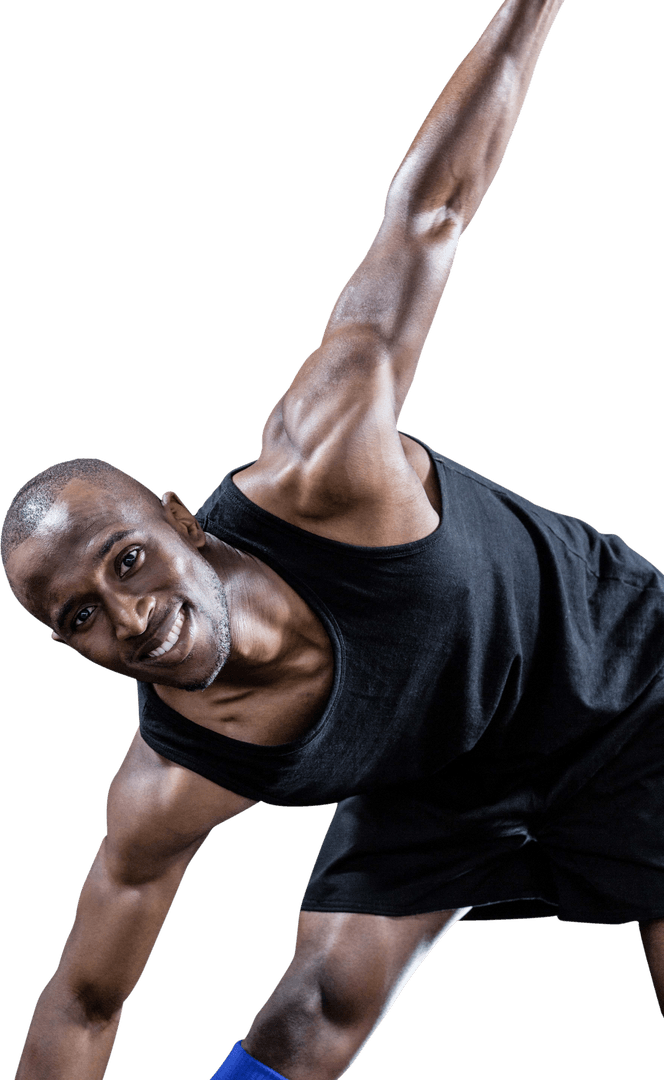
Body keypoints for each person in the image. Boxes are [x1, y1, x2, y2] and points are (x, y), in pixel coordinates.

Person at [5, 1, 664, 1077]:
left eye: (127, 560)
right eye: (80, 615)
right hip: (447, 763)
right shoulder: (171, 781)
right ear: (64, 647)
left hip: (623, 679)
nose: (130, 617)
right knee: (311, 1017)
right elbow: (82, 1004)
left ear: (178, 522)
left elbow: (432, 210)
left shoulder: (325, 465)